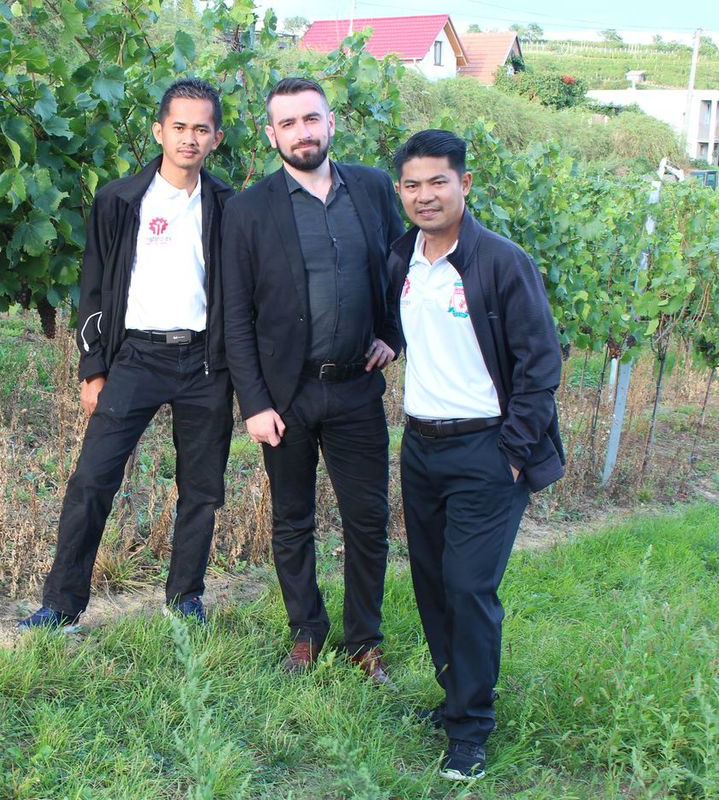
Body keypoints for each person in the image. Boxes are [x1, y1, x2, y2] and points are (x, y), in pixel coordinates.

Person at [18, 78, 235, 631]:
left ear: (216, 138)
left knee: (202, 489)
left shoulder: (229, 206)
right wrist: (92, 369)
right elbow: (93, 287)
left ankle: (184, 598)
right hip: (136, 357)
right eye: (179, 127)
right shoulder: (119, 200)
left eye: (201, 129)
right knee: (92, 480)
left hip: (205, 362)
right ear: (159, 130)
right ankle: (62, 604)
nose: (189, 139)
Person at [389, 129, 564, 781]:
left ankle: (471, 730)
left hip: (486, 449)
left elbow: (540, 364)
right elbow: (401, 329)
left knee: (468, 586)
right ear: (401, 191)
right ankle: (455, 698)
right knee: (433, 583)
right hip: (420, 446)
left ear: (464, 183)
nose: (425, 195)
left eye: (438, 181)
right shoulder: (402, 258)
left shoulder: (501, 262)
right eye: (412, 185)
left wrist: (512, 453)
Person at [221, 77, 404, 677]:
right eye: (288, 123)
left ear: (331, 123)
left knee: (368, 520)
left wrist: (393, 333)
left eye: (311, 119)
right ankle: (306, 630)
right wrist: (254, 402)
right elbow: (235, 315)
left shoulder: (372, 189)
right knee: (292, 519)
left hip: (356, 387)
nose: (302, 133)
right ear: (271, 134)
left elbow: (402, 270)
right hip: (286, 394)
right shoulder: (248, 210)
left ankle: (363, 640)